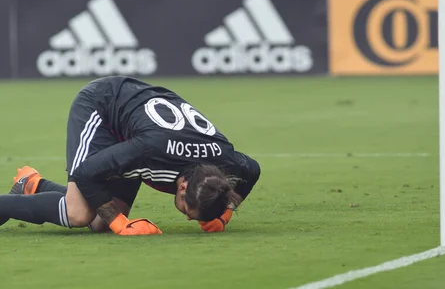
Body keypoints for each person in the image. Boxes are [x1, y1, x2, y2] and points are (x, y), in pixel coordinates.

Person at [0, 76, 261, 236]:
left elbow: (253, 170)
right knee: (78, 214)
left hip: (136, 131)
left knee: (101, 223)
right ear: (182, 186)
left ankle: (33, 185)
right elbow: (85, 174)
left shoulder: (226, 161)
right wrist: (121, 225)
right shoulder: (151, 150)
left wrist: (223, 215)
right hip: (102, 108)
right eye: (189, 211)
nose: (189, 218)